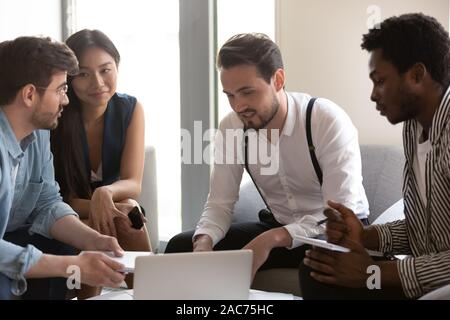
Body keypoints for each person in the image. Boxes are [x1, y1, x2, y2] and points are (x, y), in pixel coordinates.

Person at [165, 33, 370, 279]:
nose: (238, 106)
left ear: (278, 80)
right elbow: (220, 203)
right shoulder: (232, 127)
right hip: (278, 227)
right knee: (180, 246)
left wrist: (272, 239)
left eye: (247, 92)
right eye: (230, 95)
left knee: (314, 267)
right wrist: (203, 243)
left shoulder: (325, 120)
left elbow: (338, 214)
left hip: (336, 231)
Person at [299, 13, 450, 300]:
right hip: (426, 277)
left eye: (380, 81)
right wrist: (364, 236)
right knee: (320, 271)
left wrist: (372, 275)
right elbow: (428, 234)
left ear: (417, 75)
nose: (373, 95)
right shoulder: (414, 128)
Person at [0, 36, 126, 300]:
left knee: (65, 245)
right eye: (60, 90)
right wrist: (73, 267)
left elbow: (46, 202)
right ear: (30, 94)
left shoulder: (38, 133)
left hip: (17, 236)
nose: (66, 101)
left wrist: (93, 240)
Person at [50, 29, 151, 298]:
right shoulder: (55, 116)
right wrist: (97, 205)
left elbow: (133, 182)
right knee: (113, 217)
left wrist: (104, 193)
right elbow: (56, 198)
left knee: (130, 212)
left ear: (117, 67)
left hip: (113, 206)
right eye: (83, 74)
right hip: (66, 213)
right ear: (69, 78)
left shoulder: (131, 109)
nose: (97, 82)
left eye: (105, 70)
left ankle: (150, 293)